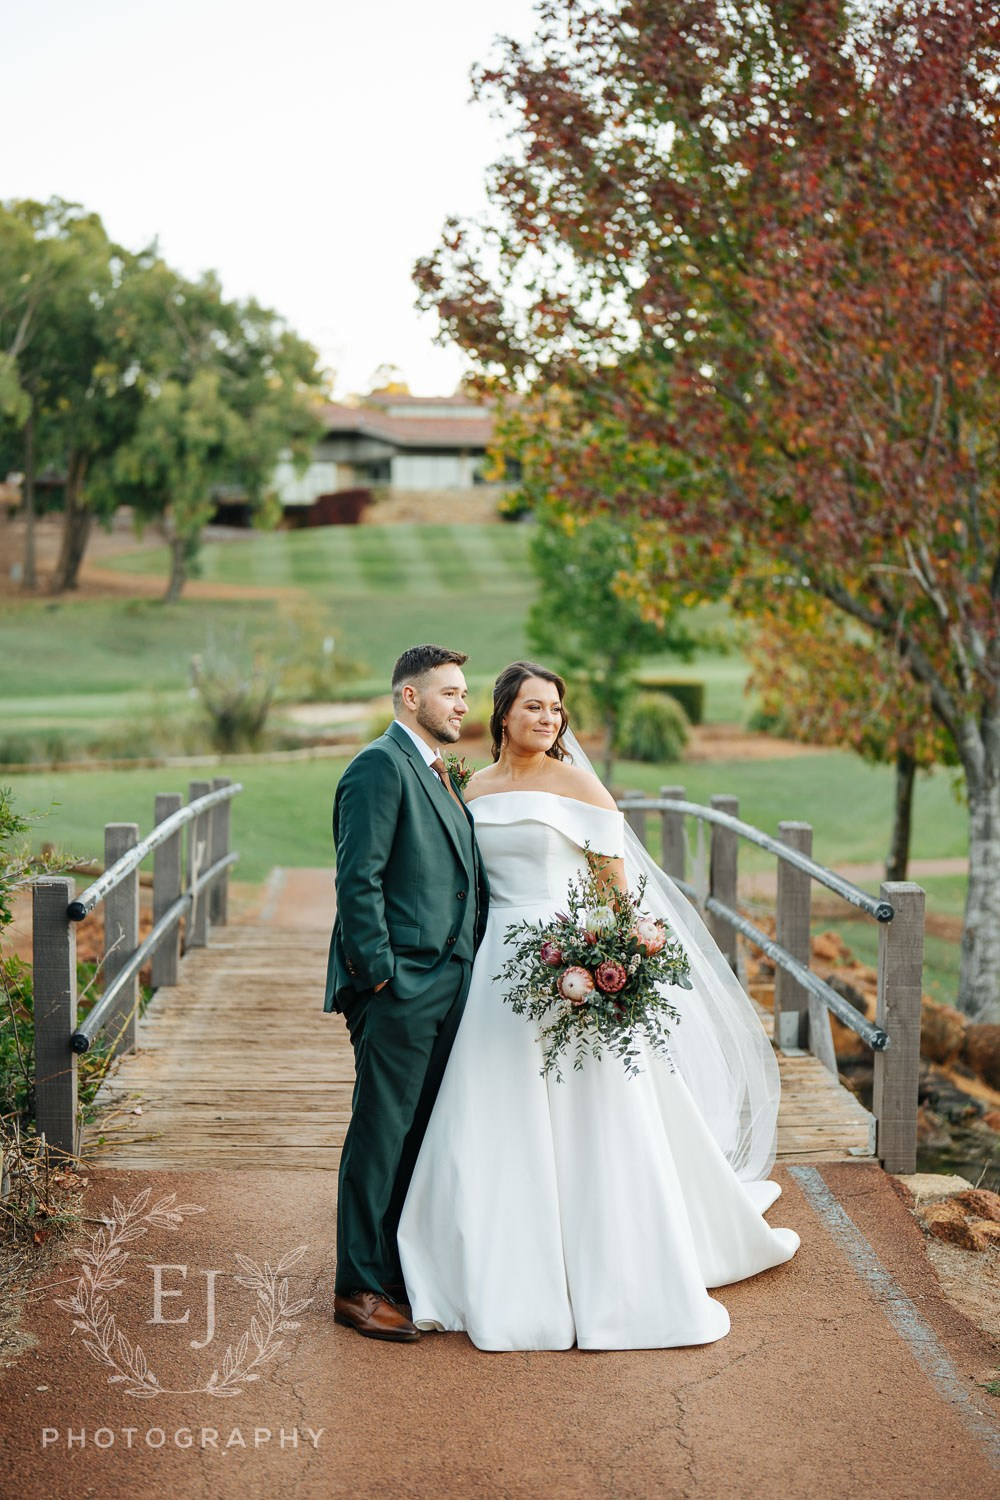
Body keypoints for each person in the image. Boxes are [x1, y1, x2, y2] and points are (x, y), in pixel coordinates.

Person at [397, 660, 799, 1351]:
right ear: (502, 715)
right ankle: (484, 1265)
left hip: (570, 965)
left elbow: (618, 895)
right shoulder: (470, 787)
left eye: (556, 709)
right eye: (533, 707)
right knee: (489, 1108)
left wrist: (606, 956)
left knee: (596, 1119)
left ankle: (615, 1268)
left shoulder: (580, 785)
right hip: (498, 968)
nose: (547, 719)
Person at [324, 644, 490, 1342]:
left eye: (463, 693)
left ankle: (394, 1269)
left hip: (450, 981)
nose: (463, 704)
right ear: (409, 698)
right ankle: (356, 1286)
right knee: (381, 1132)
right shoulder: (378, 766)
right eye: (449, 693)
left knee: (421, 1133)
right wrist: (382, 975)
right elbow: (356, 876)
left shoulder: (441, 773)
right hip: (401, 984)